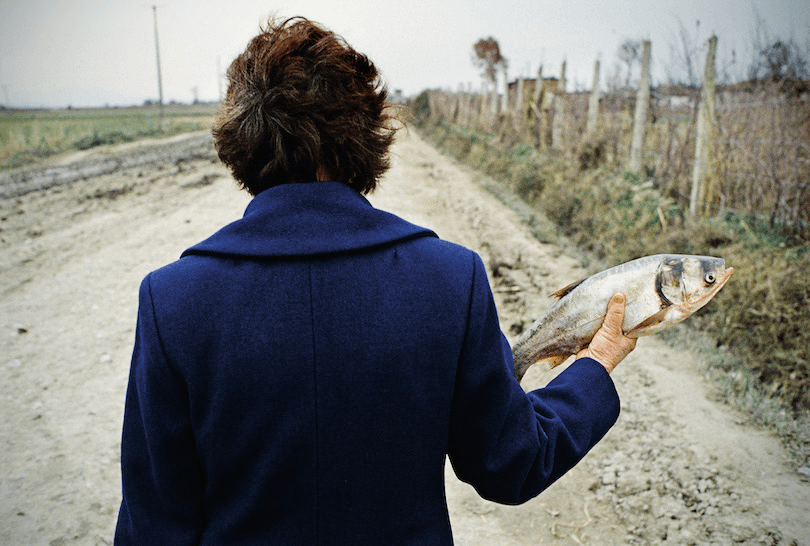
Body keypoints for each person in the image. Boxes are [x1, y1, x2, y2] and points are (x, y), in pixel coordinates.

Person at [114, 16, 636, 544]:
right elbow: (513, 462)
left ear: (240, 139)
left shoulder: (173, 299)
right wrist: (595, 366)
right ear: (367, 135)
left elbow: (153, 525)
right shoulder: (450, 280)